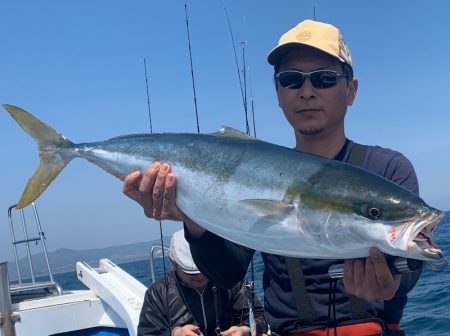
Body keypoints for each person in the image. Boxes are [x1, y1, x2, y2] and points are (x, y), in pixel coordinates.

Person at [124, 20, 420, 336]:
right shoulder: (255, 172)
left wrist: (395, 282)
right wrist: (193, 219)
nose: (307, 92)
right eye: (291, 80)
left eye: (324, 79)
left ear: (351, 89)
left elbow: (414, 260)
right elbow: (226, 273)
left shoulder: (387, 170)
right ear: (278, 94)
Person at [137, 229, 267, 336]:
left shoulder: (231, 281)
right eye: (190, 273)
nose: (200, 277)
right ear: (174, 265)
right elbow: (146, 333)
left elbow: (260, 318)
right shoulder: (157, 293)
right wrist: (175, 333)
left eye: (205, 269)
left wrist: (246, 330)